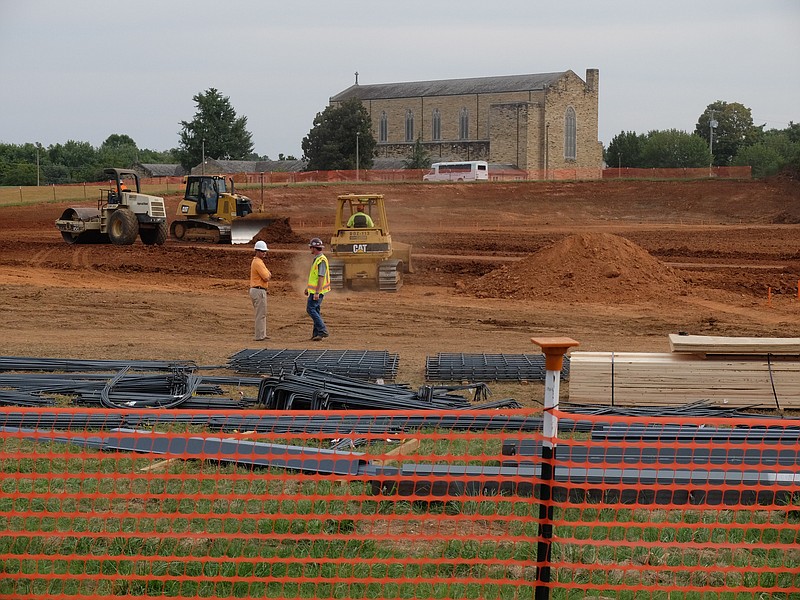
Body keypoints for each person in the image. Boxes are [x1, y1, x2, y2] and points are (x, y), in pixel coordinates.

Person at [304, 237, 330, 341]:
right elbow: (314, 277)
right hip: (314, 290)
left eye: (311, 247)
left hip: (317, 292)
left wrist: (317, 292)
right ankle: (317, 334)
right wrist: (308, 288)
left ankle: (322, 330)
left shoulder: (321, 260)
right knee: (316, 310)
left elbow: (321, 277)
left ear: (314, 248)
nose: (310, 249)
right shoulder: (318, 259)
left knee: (310, 309)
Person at [249, 240, 272, 341]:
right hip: (258, 290)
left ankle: (262, 334)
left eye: (265, 251)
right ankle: (259, 336)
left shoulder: (258, 262)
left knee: (262, 313)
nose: (264, 253)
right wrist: (268, 274)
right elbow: (267, 276)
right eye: (262, 251)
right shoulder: (258, 263)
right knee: (260, 314)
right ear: (257, 251)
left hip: (258, 290)